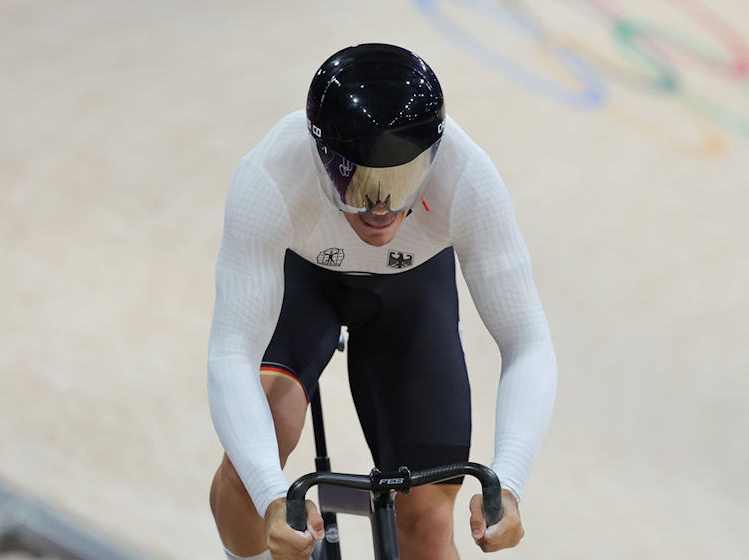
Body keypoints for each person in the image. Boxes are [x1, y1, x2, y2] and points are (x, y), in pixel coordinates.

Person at [207, 43, 557, 560]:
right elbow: (230, 354)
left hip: (411, 290)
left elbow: (527, 343)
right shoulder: (271, 175)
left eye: (402, 181)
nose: (380, 206)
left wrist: (508, 481)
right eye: (359, 182)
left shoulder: (468, 178)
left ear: (433, 160)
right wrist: (269, 493)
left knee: (426, 532)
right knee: (254, 486)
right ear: (323, 156)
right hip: (305, 281)